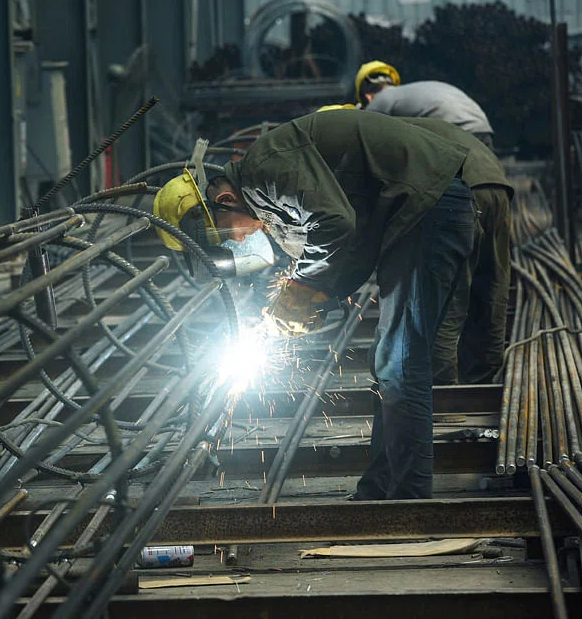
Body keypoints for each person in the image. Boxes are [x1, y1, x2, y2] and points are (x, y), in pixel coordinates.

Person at [153, 109, 477, 499]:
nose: (235, 242)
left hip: (429, 207)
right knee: (389, 361)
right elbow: (345, 246)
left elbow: (335, 224)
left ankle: (409, 501)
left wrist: (303, 288)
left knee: (401, 363)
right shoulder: (263, 195)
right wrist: (317, 297)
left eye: (222, 235)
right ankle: (380, 490)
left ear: (224, 199)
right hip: (418, 214)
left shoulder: (265, 171)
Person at [317, 105, 513, 385]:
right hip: (494, 182)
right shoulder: (388, 130)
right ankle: (481, 385)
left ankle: (440, 394)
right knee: (489, 291)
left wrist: (324, 288)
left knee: (440, 307)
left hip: (455, 190)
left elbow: (361, 239)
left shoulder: (353, 152)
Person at [355, 60, 496, 151]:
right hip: (482, 129)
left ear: (368, 97)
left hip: (455, 134)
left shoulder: (381, 99)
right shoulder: (412, 91)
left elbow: (366, 140)